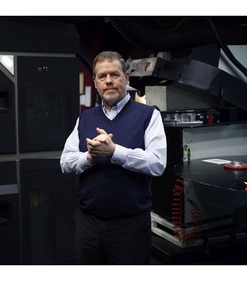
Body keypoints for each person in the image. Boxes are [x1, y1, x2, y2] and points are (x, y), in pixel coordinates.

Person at [60, 51, 167, 264]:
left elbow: (157, 164)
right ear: (96, 83)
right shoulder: (85, 118)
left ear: (126, 78)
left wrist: (114, 152)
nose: (108, 81)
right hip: (88, 224)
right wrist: (89, 157)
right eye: (102, 76)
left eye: (114, 74)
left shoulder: (148, 115)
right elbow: (65, 163)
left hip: (130, 226)